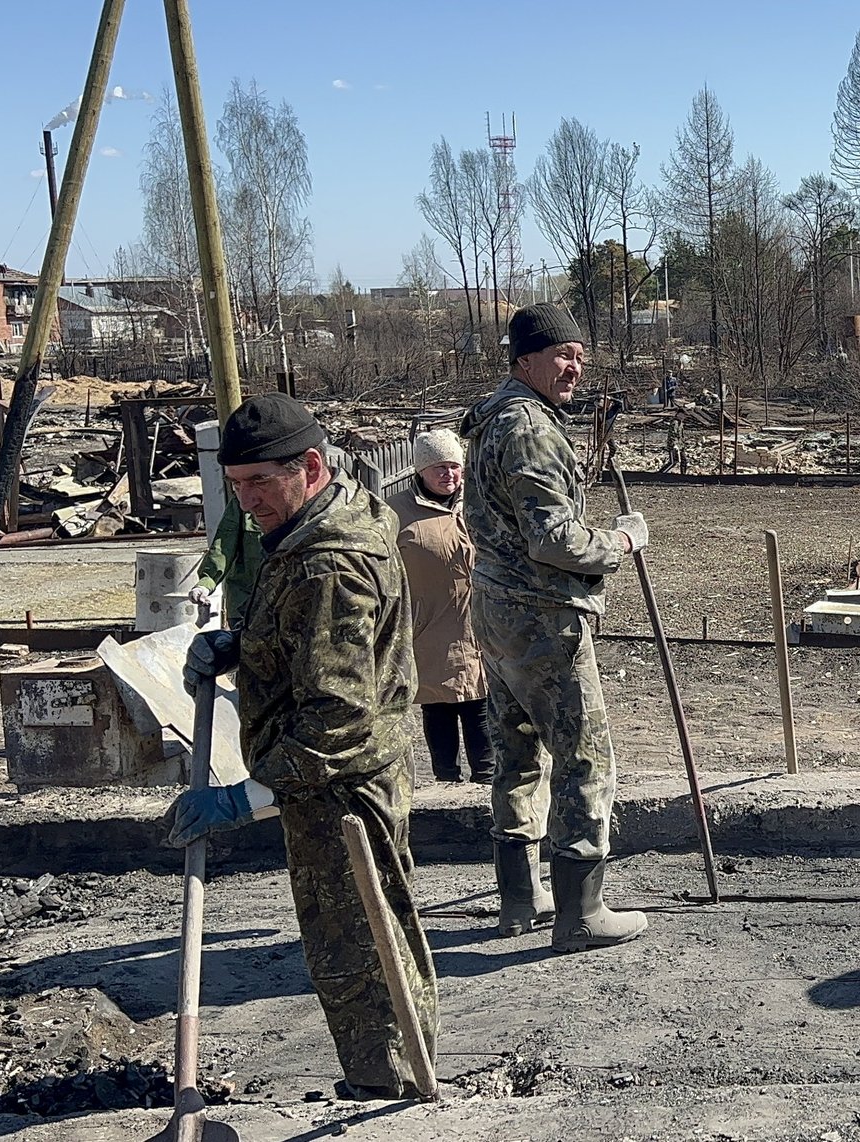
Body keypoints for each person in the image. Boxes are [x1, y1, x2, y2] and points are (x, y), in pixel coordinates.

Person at [167, 393, 437, 1098]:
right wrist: (245, 647)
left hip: (340, 791)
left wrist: (244, 799)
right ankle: (394, 1079)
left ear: (310, 466)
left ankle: (391, 1092)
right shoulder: (326, 517)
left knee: (358, 948)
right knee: (364, 940)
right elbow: (309, 643)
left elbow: (336, 717)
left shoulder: (330, 564)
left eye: (260, 483)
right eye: (236, 486)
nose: (247, 502)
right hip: (337, 777)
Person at [462, 301, 648, 951]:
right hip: (542, 616)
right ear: (525, 360)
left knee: (516, 752)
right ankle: (580, 915)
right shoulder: (531, 428)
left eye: (579, 357)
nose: (574, 367)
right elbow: (554, 539)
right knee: (584, 757)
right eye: (562, 355)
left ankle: (520, 899)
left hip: (493, 608)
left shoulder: (488, 420)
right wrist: (620, 544)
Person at [388, 428, 493, 785]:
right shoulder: (396, 512)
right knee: (439, 706)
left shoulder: (481, 502)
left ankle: (486, 781)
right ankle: (446, 780)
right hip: (429, 625)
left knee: (481, 703)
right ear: (420, 471)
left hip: (479, 622)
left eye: (454, 466)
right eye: (438, 468)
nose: (448, 475)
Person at [189, 496, 262, 624]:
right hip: (245, 606)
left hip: (292, 609)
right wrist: (206, 584)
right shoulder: (242, 503)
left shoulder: (305, 508)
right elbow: (223, 546)